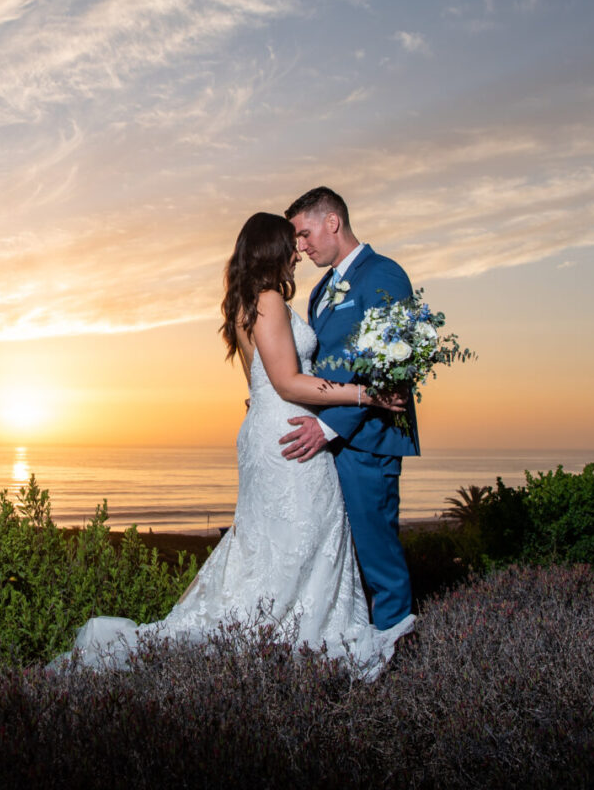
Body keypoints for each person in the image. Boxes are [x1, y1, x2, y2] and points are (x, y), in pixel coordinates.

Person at [51, 212, 416, 680]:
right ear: (272, 250)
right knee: (302, 537)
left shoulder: (244, 304)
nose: (298, 252)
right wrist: (367, 394)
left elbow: (258, 386)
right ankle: (298, 638)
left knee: (272, 543)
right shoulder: (269, 300)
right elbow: (287, 383)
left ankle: (274, 636)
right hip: (289, 433)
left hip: (264, 429)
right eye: (291, 242)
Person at [279, 187, 418, 627]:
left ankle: (395, 652)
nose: (300, 246)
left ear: (332, 222)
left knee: (378, 557)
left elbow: (389, 369)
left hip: (368, 441)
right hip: (326, 444)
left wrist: (330, 427)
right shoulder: (320, 291)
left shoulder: (385, 275)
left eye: (304, 233)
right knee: (340, 558)